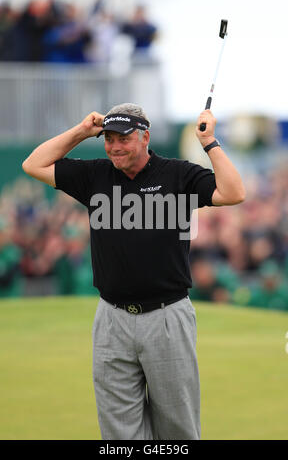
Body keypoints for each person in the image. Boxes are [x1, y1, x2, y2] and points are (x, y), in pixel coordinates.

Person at [22, 103, 245, 440]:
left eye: (123, 139)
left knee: (177, 428)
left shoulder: (177, 174)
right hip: (112, 319)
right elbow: (33, 164)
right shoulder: (95, 175)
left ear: (145, 138)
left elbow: (233, 193)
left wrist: (210, 142)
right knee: (118, 431)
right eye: (109, 139)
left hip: (167, 316)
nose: (114, 147)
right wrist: (82, 132)